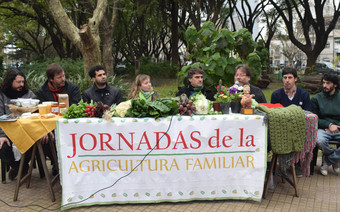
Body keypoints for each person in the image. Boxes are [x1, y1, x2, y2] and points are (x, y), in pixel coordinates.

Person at [36, 63, 81, 176]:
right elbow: (42, 113)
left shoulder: (72, 88)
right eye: (59, 77)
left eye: (64, 76)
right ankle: (57, 164)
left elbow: (76, 106)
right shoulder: (42, 92)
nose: (63, 79)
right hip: (51, 126)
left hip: (69, 125)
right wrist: (46, 131)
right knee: (45, 139)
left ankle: (70, 165)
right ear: (51, 79)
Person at [0, 69, 35, 180]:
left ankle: (19, 168)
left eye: (23, 82)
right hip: (7, 132)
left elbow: (36, 113)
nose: (21, 84)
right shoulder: (2, 95)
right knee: (3, 148)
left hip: (26, 131)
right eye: (18, 82)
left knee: (33, 143)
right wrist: (2, 135)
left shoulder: (28, 94)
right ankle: (21, 168)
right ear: (10, 81)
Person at [311, 73, 340, 176]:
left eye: (328, 83)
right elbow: (314, 118)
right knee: (320, 141)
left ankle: (329, 160)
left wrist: (335, 126)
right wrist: (328, 125)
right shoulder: (316, 99)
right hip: (322, 129)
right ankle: (335, 159)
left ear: (335, 85)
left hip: (338, 128)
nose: (324, 85)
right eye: (323, 83)